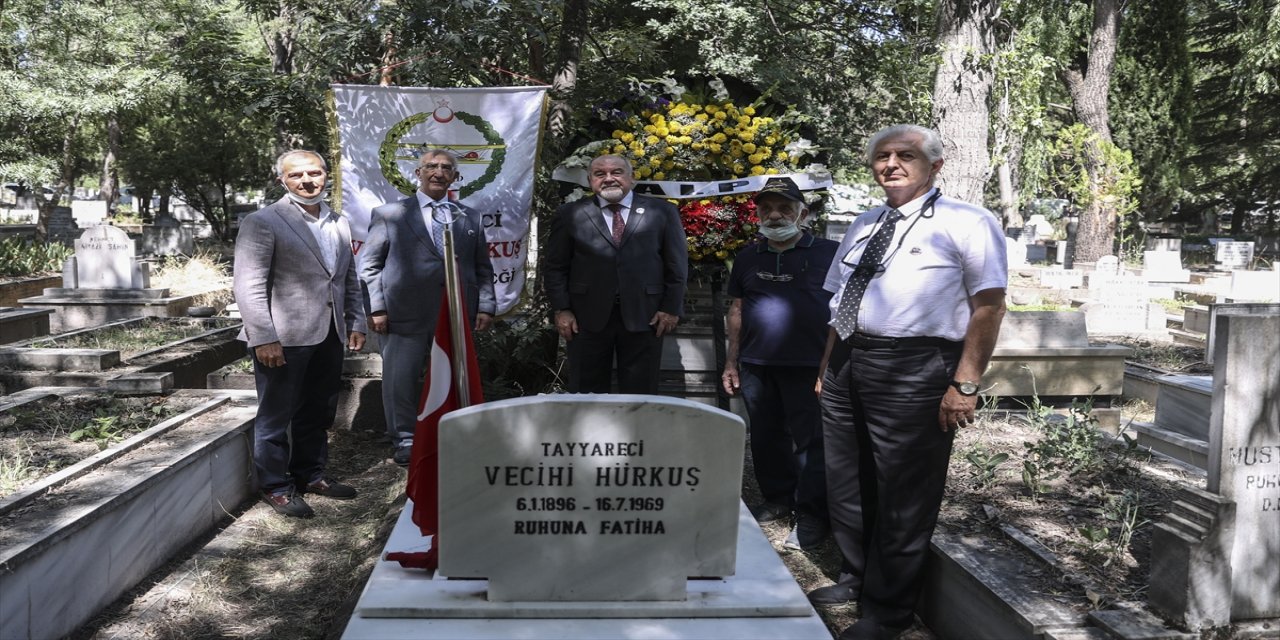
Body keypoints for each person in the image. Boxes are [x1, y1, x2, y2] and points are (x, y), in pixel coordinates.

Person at [809, 125, 1007, 640]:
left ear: (935, 165)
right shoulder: (864, 222)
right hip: (848, 359)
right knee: (847, 477)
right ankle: (857, 576)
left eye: (905, 155)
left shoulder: (969, 222)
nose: (891, 164)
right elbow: (839, 302)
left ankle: (888, 612)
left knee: (905, 490)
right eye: (882, 155)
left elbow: (988, 306)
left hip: (915, 365)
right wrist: (827, 367)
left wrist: (965, 384)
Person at [233, 149, 368, 518]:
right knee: (276, 416)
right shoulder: (263, 222)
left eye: (314, 173)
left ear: (326, 175)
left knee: (318, 411)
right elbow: (248, 284)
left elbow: (347, 278)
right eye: (296, 175)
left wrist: (356, 321)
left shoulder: (338, 222)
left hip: (329, 333)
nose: (307, 181)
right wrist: (263, 337)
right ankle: (275, 486)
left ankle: (311, 474)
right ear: (282, 180)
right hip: (283, 338)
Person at [722, 176, 838, 551]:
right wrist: (731, 361)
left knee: (811, 441)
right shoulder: (747, 257)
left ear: (802, 214)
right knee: (766, 435)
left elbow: (842, 312)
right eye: (767, 209)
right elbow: (737, 310)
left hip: (809, 364)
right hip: (757, 363)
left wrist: (829, 365)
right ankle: (777, 499)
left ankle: (812, 514)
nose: (775, 215)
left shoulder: (829, 253)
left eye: (785, 208)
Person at [360, 149, 496, 466]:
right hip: (402, 313)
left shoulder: (470, 217)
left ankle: (452, 433)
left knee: (452, 376)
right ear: (418, 173)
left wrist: (486, 306)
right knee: (400, 380)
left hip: (455, 315)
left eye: (446, 168)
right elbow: (370, 267)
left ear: (455, 176)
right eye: (431, 166)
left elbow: (482, 267)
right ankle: (405, 439)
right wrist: (376, 308)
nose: (438, 172)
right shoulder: (389, 214)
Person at [543, 154, 689, 393]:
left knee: (641, 394)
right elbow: (555, 267)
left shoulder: (662, 212)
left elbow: (677, 264)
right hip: (585, 318)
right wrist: (562, 309)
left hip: (646, 316)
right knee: (586, 393)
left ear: (632, 177)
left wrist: (671, 308)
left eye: (616, 172)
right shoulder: (570, 214)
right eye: (600, 174)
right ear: (590, 180)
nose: (608, 178)